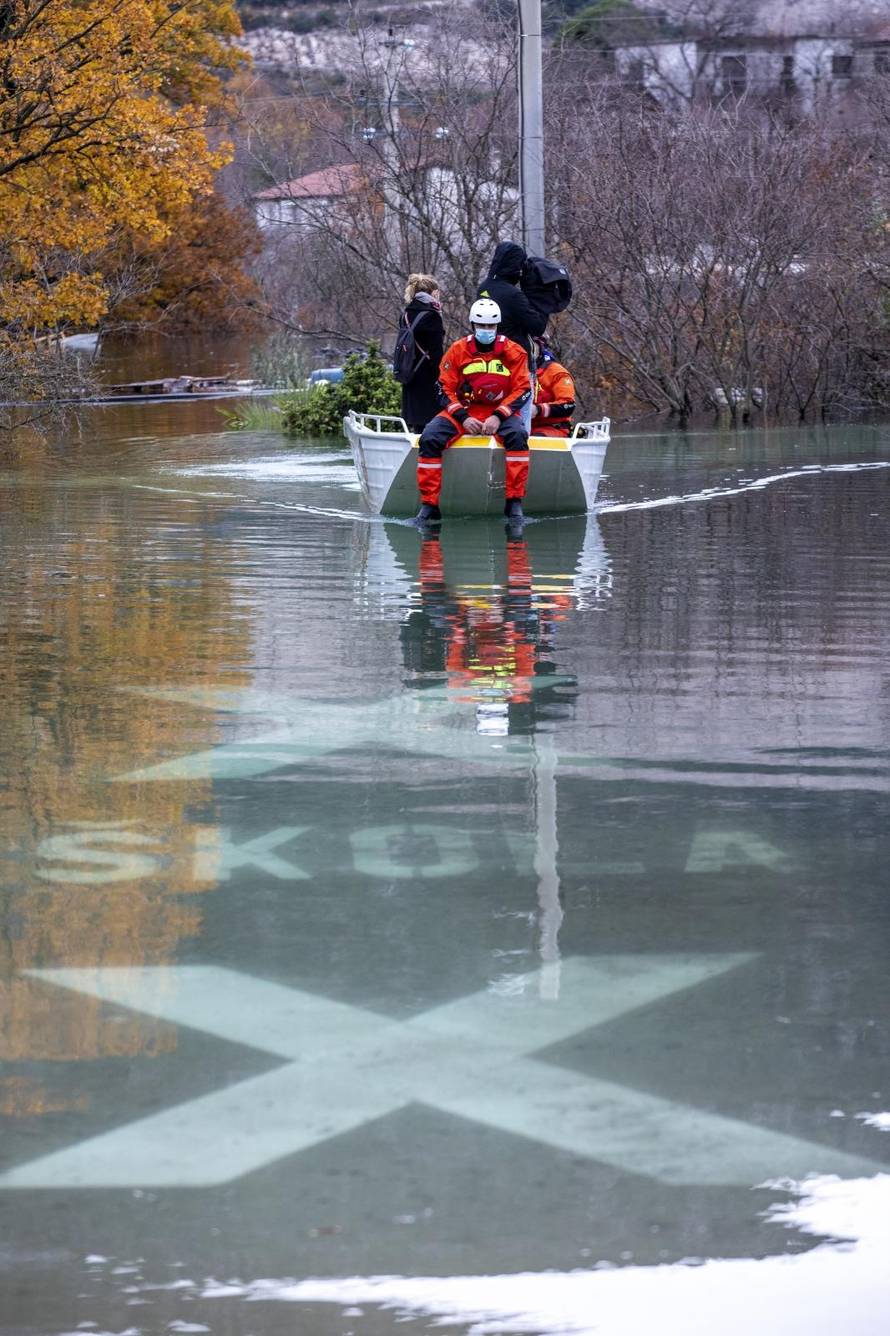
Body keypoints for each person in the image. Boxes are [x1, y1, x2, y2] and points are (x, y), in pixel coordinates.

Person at [415, 298, 531, 529]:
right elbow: (442, 388)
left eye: (491, 326)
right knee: (429, 437)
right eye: (482, 326)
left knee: (518, 436)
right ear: (472, 325)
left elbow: (523, 389)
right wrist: (463, 417)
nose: (486, 331)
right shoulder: (458, 350)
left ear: (497, 326)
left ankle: (514, 502)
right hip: (464, 411)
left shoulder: (514, 352)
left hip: (500, 413)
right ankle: (429, 505)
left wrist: (498, 416)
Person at [477, 240, 548, 433]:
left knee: (492, 414)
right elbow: (537, 326)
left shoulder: (483, 289)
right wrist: (543, 300)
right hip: (516, 364)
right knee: (521, 418)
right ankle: (519, 451)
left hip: (487, 364)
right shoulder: (512, 295)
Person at [399, 273, 445, 432]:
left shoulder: (405, 315)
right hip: (428, 377)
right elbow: (437, 354)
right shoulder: (432, 316)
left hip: (409, 373)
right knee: (432, 426)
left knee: (417, 428)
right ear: (432, 293)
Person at [532, 337, 576, 438]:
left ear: (540, 346)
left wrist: (537, 409)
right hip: (520, 428)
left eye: (531, 344)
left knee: (534, 441)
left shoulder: (556, 372)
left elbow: (568, 405)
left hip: (552, 428)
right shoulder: (513, 370)